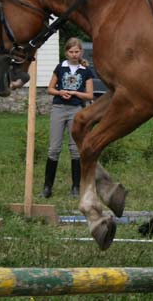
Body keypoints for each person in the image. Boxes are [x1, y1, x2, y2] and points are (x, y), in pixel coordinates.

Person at [42, 37, 93, 198]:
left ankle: (76, 187)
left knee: (74, 149)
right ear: (66, 52)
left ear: (81, 52)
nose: (74, 54)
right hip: (59, 108)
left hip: (76, 110)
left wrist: (76, 93)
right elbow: (50, 89)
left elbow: (90, 95)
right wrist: (60, 92)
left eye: (77, 51)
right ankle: (47, 187)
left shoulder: (86, 71)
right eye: (71, 51)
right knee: (54, 148)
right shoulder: (60, 67)